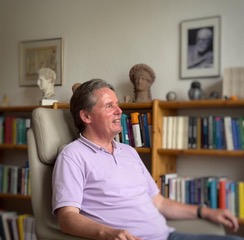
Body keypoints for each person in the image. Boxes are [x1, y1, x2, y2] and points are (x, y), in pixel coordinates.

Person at [52, 78, 243, 240]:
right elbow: (67, 218)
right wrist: (108, 233)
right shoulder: (72, 156)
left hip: (168, 236)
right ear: (86, 116)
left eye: (117, 104)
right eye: (109, 106)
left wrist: (207, 212)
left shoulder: (129, 152)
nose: (119, 110)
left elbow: (159, 202)